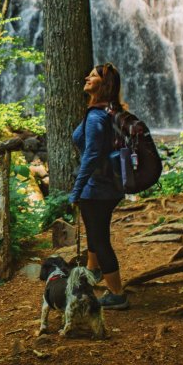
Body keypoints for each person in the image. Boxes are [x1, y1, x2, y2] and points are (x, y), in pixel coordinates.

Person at [68, 63, 130, 310]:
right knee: (95, 235)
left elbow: (92, 156)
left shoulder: (96, 116)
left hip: (96, 188)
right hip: (108, 186)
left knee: (100, 240)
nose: (86, 76)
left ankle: (117, 294)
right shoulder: (111, 112)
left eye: (92, 76)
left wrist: (77, 190)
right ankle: (90, 276)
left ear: (103, 85)